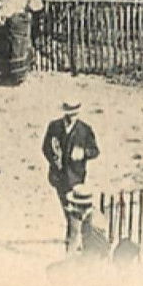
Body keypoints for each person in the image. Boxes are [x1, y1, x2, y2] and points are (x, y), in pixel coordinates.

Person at [44, 100, 100, 237]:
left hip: (77, 178)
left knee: (73, 210)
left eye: (74, 114)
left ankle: (73, 237)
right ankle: (74, 234)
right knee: (67, 208)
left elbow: (95, 151)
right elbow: (45, 148)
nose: (72, 117)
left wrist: (83, 153)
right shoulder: (54, 127)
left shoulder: (85, 130)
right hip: (59, 177)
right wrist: (54, 160)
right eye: (69, 114)